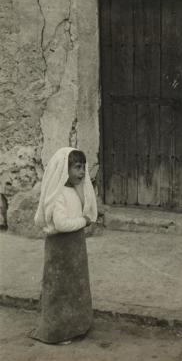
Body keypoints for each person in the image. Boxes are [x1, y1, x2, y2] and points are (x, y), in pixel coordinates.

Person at [30, 147, 97, 344]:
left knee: (75, 288)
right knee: (60, 291)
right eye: (77, 167)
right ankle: (57, 332)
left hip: (75, 250)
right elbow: (61, 224)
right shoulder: (58, 195)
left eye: (83, 167)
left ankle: (76, 326)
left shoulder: (75, 191)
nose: (82, 172)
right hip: (60, 251)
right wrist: (84, 221)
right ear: (64, 170)